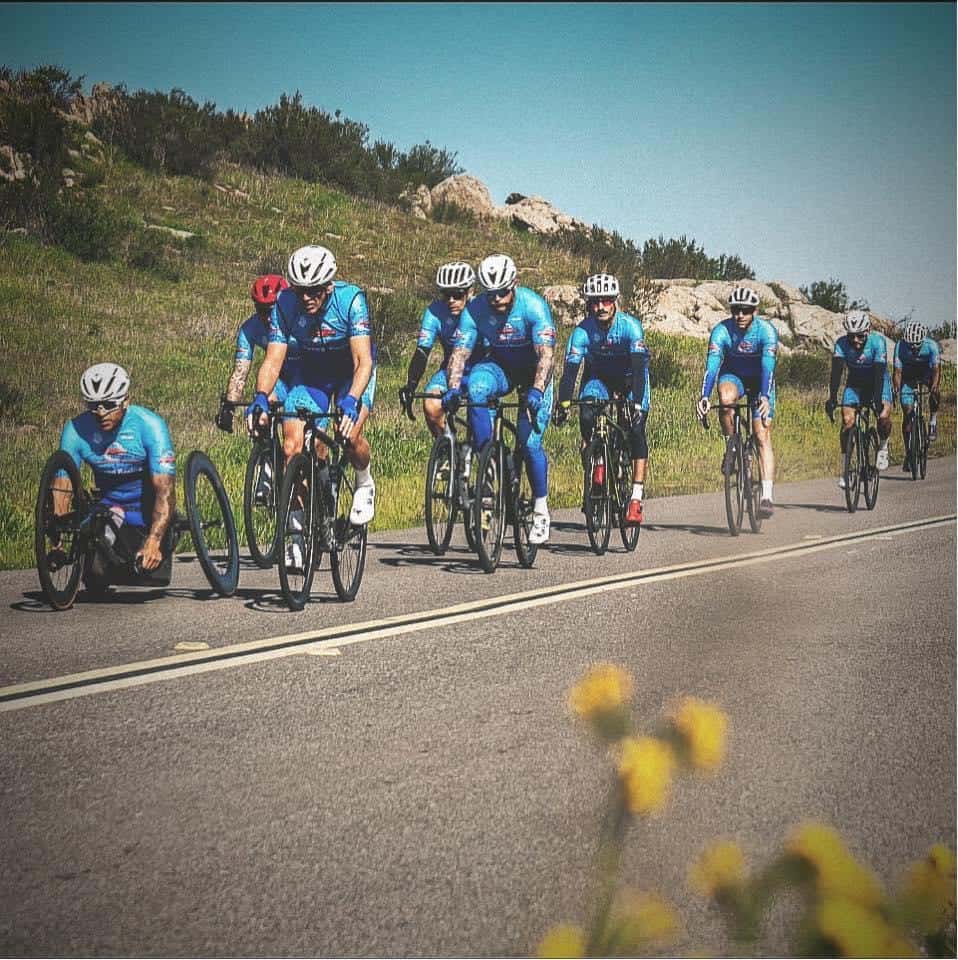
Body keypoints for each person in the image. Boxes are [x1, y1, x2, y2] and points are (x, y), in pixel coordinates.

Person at [246, 245, 376, 569]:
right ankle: (296, 534)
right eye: (301, 290)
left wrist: (351, 401)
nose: (307, 298)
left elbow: (364, 361)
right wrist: (261, 396)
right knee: (291, 448)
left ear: (329, 285)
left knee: (347, 436)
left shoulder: (351, 300)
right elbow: (273, 360)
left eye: (314, 290)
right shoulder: (285, 304)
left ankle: (364, 479)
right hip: (313, 378)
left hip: (351, 377)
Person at [442, 253, 557, 545]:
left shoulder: (533, 306)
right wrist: (454, 388)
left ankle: (541, 509)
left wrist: (538, 390)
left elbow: (546, 355)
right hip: (502, 367)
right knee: (477, 388)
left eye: (503, 292)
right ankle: (487, 458)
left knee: (529, 441)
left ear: (515, 284)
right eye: (491, 293)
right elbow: (460, 352)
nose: (497, 300)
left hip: (534, 372)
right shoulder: (475, 310)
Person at [59, 362, 177, 588]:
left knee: (147, 577)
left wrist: (154, 541)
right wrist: (58, 541)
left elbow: (166, 490)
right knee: (96, 577)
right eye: (93, 405)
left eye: (109, 404)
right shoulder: (75, 429)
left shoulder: (150, 425)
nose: (101, 412)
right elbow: (61, 486)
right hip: (107, 508)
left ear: (126, 400)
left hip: (145, 510)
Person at [554, 273, 650, 525]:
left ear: (615, 301)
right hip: (599, 379)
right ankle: (595, 470)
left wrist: (637, 403)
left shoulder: (630, 327)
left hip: (631, 380)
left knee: (636, 430)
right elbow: (571, 372)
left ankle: (636, 499)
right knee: (587, 414)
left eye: (606, 301)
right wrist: (564, 403)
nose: (600, 307)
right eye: (594, 302)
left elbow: (640, 369)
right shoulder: (582, 332)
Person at [696, 286, 778, 516]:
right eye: (735, 310)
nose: (740, 315)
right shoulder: (721, 331)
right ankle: (731, 444)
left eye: (745, 310)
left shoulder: (766, 331)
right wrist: (704, 395)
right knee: (724, 399)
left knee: (761, 434)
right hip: (734, 376)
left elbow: (768, 367)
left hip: (761, 381)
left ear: (755, 311)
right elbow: (712, 366)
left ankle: (767, 496)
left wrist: (765, 396)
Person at [398, 261, 480, 437]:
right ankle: (447, 449)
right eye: (446, 295)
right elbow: (422, 351)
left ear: (470, 292)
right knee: (430, 404)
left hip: (481, 370)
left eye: (457, 295)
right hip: (449, 371)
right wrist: (411, 385)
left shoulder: (481, 310)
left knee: (478, 417)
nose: (450, 300)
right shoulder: (435, 311)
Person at [215, 274, 292, 433]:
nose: (268, 318)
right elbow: (240, 372)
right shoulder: (250, 328)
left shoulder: (298, 321)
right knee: (260, 413)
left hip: (306, 379)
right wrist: (229, 407)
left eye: (272, 310)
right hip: (280, 379)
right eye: (261, 310)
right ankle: (266, 453)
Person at [825, 310, 893, 483]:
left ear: (868, 331)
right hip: (855, 384)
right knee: (847, 421)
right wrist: (832, 398)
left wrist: (877, 400)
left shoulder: (878, 342)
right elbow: (837, 372)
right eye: (852, 336)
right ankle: (846, 469)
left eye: (860, 336)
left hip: (878, 381)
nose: (855, 340)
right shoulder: (841, 344)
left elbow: (879, 373)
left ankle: (883, 446)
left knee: (883, 417)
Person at [893, 320, 942, 468]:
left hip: (926, 373)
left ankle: (933, 421)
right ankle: (909, 453)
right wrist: (896, 389)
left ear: (923, 340)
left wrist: (934, 386)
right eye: (910, 344)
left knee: (935, 392)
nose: (913, 347)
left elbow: (936, 371)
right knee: (907, 414)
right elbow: (897, 372)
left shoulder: (931, 346)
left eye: (917, 344)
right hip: (908, 376)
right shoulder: (900, 346)